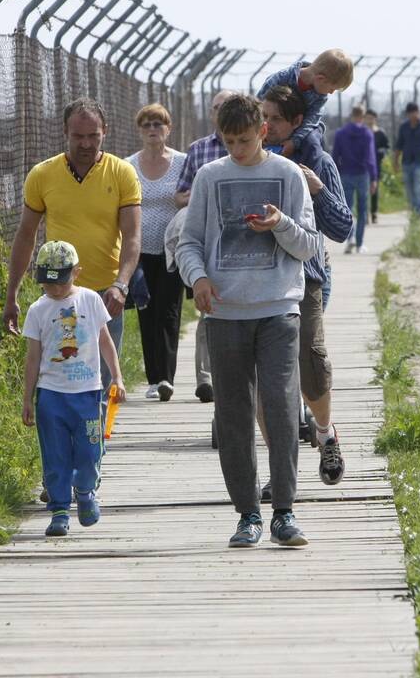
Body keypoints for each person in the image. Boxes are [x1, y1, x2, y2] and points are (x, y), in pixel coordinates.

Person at [176, 94, 319, 548]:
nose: (236, 150)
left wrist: (279, 223)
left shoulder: (288, 174)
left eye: (244, 140)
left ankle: (284, 511)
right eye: (229, 141)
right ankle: (247, 514)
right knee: (233, 413)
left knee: (279, 405)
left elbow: (309, 245)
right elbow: (189, 240)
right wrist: (197, 278)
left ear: (263, 132)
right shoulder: (209, 176)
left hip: (278, 307)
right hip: (224, 312)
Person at [3, 97, 142, 403]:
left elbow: (132, 236)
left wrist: (121, 284)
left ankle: (96, 444)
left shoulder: (122, 173)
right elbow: (26, 235)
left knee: (103, 380)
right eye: (78, 136)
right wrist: (11, 294)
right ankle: (66, 438)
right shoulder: (43, 175)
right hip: (58, 292)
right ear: (65, 132)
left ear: (105, 131)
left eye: (93, 135)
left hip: (106, 294)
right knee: (60, 375)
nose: (86, 143)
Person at [261, 85, 353, 497]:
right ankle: (280, 472)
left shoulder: (319, 161)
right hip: (258, 279)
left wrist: (317, 189)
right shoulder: (253, 160)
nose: (267, 127)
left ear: (297, 122)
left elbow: (342, 227)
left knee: (311, 363)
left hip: (306, 276)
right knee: (267, 379)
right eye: (262, 118)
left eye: (275, 120)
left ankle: (325, 434)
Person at [21, 240, 127, 537]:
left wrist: (116, 377)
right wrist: (28, 398)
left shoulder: (91, 300)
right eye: (47, 284)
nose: (54, 290)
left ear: (76, 273)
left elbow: (105, 341)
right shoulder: (38, 310)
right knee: (54, 454)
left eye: (60, 282)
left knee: (89, 451)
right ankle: (58, 510)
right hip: (51, 395)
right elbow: (33, 358)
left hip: (87, 392)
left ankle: (85, 492)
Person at [175, 89, 237, 403]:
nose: (220, 111)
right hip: (208, 241)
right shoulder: (198, 151)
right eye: (216, 107)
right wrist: (205, 193)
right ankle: (206, 378)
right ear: (211, 114)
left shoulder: (251, 148)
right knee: (207, 311)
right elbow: (180, 194)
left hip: (240, 239)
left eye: (226, 106)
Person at [126, 103, 187, 402]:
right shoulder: (128, 166)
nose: (153, 130)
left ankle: (166, 377)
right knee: (145, 311)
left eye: (158, 124)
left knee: (170, 312)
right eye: (147, 124)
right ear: (139, 130)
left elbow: (193, 195)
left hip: (173, 250)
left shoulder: (182, 163)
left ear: (168, 129)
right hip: (138, 250)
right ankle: (153, 378)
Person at [256, 49, 354, 158]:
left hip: (303, 127)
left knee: (312, 142)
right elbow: (257, 106)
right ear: (320, 79)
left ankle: (313, 172)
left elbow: (311, 121)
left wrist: (294, 141)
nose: (331, 92)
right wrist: (259, 130)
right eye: (332, 88)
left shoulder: (320, 97)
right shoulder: (280, 79)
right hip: (273, 125)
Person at [332, 105, 377, 254]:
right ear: (363, 116)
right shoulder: (367, 134)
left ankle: (349, 238)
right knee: (363, 210)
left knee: (347, 208)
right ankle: (359, 243)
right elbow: (371, 158)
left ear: (352, 115)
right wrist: (374, 178)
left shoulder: (341, 133)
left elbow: (334, 156)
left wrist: (335, 176)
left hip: (345, 173)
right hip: (363, 174)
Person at [393, 102, 420, 216]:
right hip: (406, 162)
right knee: (409, 190)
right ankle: (413, 210)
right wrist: (396, 161)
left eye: (415, 113)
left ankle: (418, 212)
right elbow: (399, 145)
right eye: (411, 113)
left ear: (418, 113)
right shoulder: (404, 127)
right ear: (407, 114)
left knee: (418, 187)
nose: (413, 115)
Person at [364, 109, 390, 223]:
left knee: (374, 189)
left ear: (375, 119)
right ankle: (364, 213)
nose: (369, 120)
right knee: (363, 189)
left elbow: (387, 147)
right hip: (363, 164)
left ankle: (374, 212)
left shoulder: (380, 133)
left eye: (371, 118)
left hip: (376, 164)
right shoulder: (362, 132)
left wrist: (381, 152)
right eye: (367, 118)